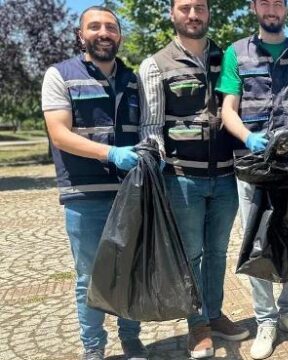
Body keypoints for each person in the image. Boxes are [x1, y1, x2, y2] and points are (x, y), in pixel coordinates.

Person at [138, 0, 249, 358]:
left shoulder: (227, 57)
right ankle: (197, 324)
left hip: (226, 176)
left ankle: (214, 314)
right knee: (192, 255)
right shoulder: (155, 65)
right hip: (183, 177)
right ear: (172, 13)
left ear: (208, 14)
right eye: (185, 7)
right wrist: (154, 166)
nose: (193, 15)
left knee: (217, 252)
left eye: (199, 7)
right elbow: (152, 126)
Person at [41, 6, 146, 360]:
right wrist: (111, 153)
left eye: (111, 27)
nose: (104, 32)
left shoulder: (133, 80)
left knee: (130, 271)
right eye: (95, 26)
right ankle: (93, 348)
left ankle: (131, 340)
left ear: (119, 35)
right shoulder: (60, 75)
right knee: (90, 277)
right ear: (80, 34)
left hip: (130, 193)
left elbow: (147, 130)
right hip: (84, 196)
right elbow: (59, 134)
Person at [217, 0, 288, 358]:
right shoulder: (235, 53)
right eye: (265, 2)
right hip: (253, 165)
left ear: (285, 8)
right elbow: (228, 108)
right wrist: (246, 137)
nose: (272, 8)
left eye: (278, 2)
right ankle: (265, 319)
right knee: (256, 243)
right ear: (254, 7)